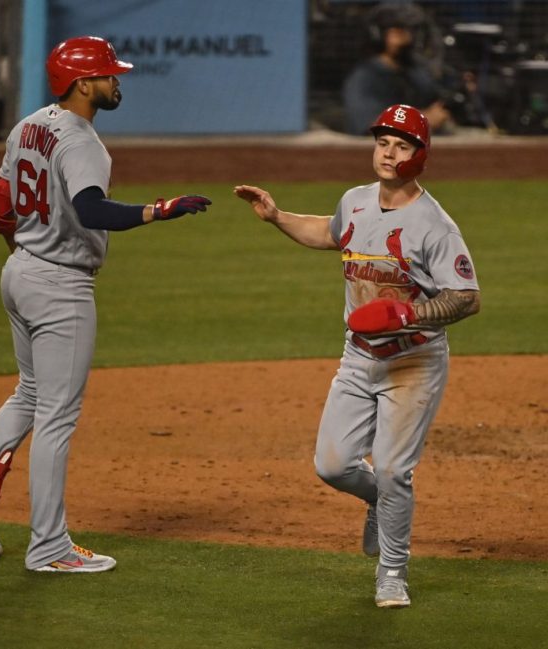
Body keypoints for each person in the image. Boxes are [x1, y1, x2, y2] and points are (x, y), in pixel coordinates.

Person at [0, 36, 211, 573]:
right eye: (109, 75)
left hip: (19, 273)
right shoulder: (82, 142)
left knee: (28, 395)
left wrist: (26, 257)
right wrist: (163, 209)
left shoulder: (27, 126)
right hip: (59, 287)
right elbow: (92, 211)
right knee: (56, 417)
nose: (118, 82)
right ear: (83, 83)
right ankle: (49, 548)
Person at [235, 104, 480, 608]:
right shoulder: (356, 201)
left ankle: (392, 572)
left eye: (402, 145)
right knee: (333, 465)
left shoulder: (435, 225)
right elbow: (328, 233)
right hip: (358, 357)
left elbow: (467, 297)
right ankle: (376, 502)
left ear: (420, 155)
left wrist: (410, 316)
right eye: (383, 142)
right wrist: (277, 217)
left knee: (392, 469)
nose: (389, 153)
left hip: (413, 363)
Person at [343, 2, 451, 136]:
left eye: (411, 30)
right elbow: (370, 126)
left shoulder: (416, 72)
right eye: (399, 30)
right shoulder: (364, 77)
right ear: (377, 34)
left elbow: (438, 104)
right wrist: (421, 120)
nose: (408, 36)